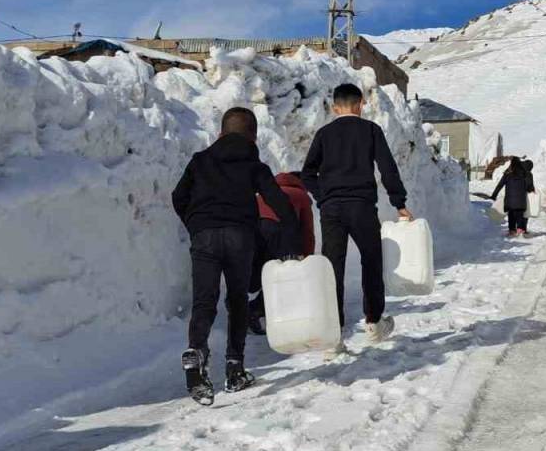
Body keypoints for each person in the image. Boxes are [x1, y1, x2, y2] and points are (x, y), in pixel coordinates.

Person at [171, 107, 301, 406]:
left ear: (220, 133)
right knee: (237, 299)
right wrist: (291, 241)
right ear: (253, 137)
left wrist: (195, 224)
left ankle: (196, 351)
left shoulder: (199, 160)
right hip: (239, 236)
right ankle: (234, 367)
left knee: (204, 300)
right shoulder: (255, 166)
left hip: (203, 235)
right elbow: (280, 204)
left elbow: (179, 197)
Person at [301, 83, 413, 347]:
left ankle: (333, 335)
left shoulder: (324, 134)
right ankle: (374, 322)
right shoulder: (371, 130)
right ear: (361, 103)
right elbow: (387, 168)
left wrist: (323, 196)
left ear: (334, 107)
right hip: (362, 206)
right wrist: (399, 203)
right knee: (371, 261)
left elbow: (307, 173)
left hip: (331, 210)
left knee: (332, 268)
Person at [248, 171, 316, 335]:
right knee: (285, 274)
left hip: (254, 230)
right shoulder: (301, 195)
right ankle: (255, 310)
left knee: (257, 273)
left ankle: (238, 306)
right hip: (281, 230)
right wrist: (305, 260)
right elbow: (306, 231)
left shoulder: (263, 193)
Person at [491, 159, 532, 237]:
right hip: (521, 201)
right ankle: (520, 229)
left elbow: (500, 185)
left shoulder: (507, 174)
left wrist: (494, 195)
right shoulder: (524, 174)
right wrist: (529, 190)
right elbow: (529, 186)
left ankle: (512, 230)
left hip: (509, 201)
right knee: (520, 214)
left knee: (511, 214)